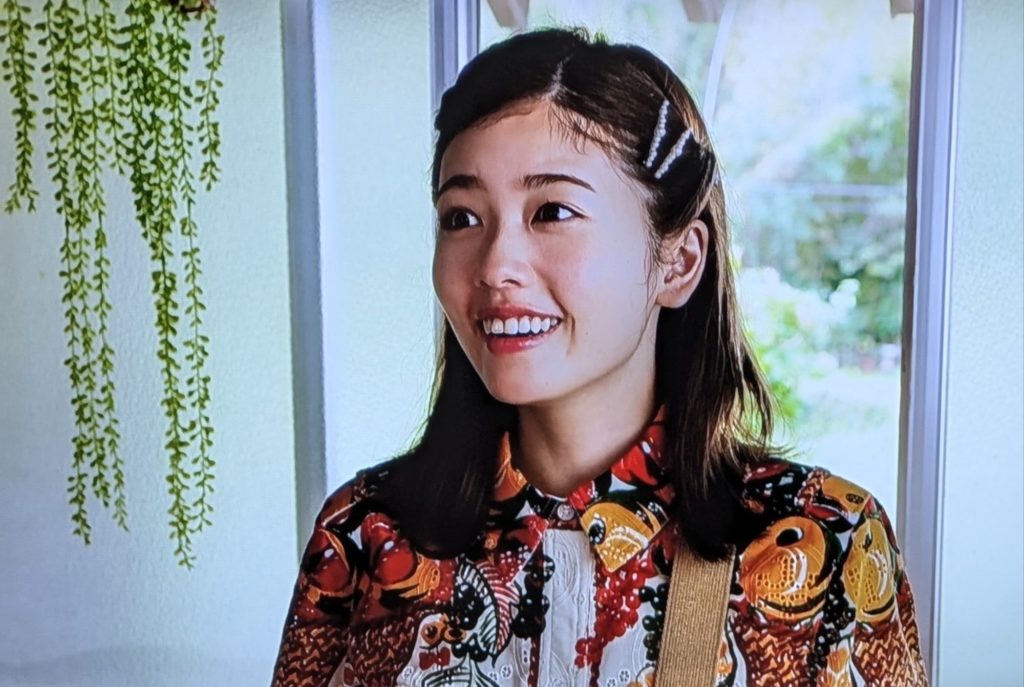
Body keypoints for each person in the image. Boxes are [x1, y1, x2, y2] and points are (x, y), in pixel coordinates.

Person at [271, 27, 927, 687]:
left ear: (679, 260)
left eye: (552, 211)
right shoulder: (365, 535)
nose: (496, 265)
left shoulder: (828, 542)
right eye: (462, 217)